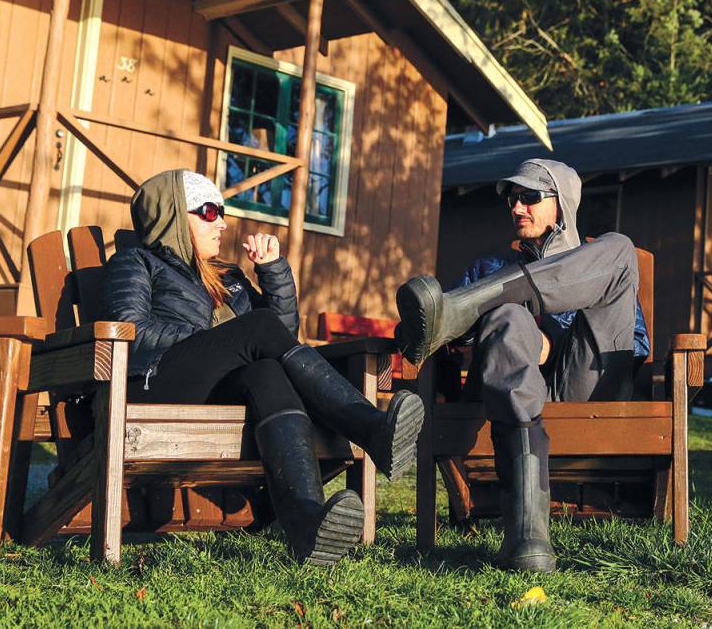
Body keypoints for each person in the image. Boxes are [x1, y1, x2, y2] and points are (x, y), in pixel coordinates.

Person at [103, 168, 424, 566]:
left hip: (216, 388)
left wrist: (273, 272)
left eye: (221, 211)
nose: (221, 222)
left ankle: (307, 525)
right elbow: (130, 332)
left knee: (266, 372)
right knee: (253, 330)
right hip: (155, 381)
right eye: (207, 211)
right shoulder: (137, 261)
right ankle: (371, 428)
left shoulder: (228, 276)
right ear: (172, 215)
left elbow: (281, 335)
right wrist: (212, 342)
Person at [394, 159, 649, 572]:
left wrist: (554, 343)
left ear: (562, 204)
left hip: (581, 389)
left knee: (620, 246)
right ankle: (528, 539)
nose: (516, 207)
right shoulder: (488, 267)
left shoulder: (601, 261)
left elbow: (634, 343)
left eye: (530, 197)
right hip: (504, 393)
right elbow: (419, 333)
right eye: (513, 199)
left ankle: (486, 301)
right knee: (508, 317)